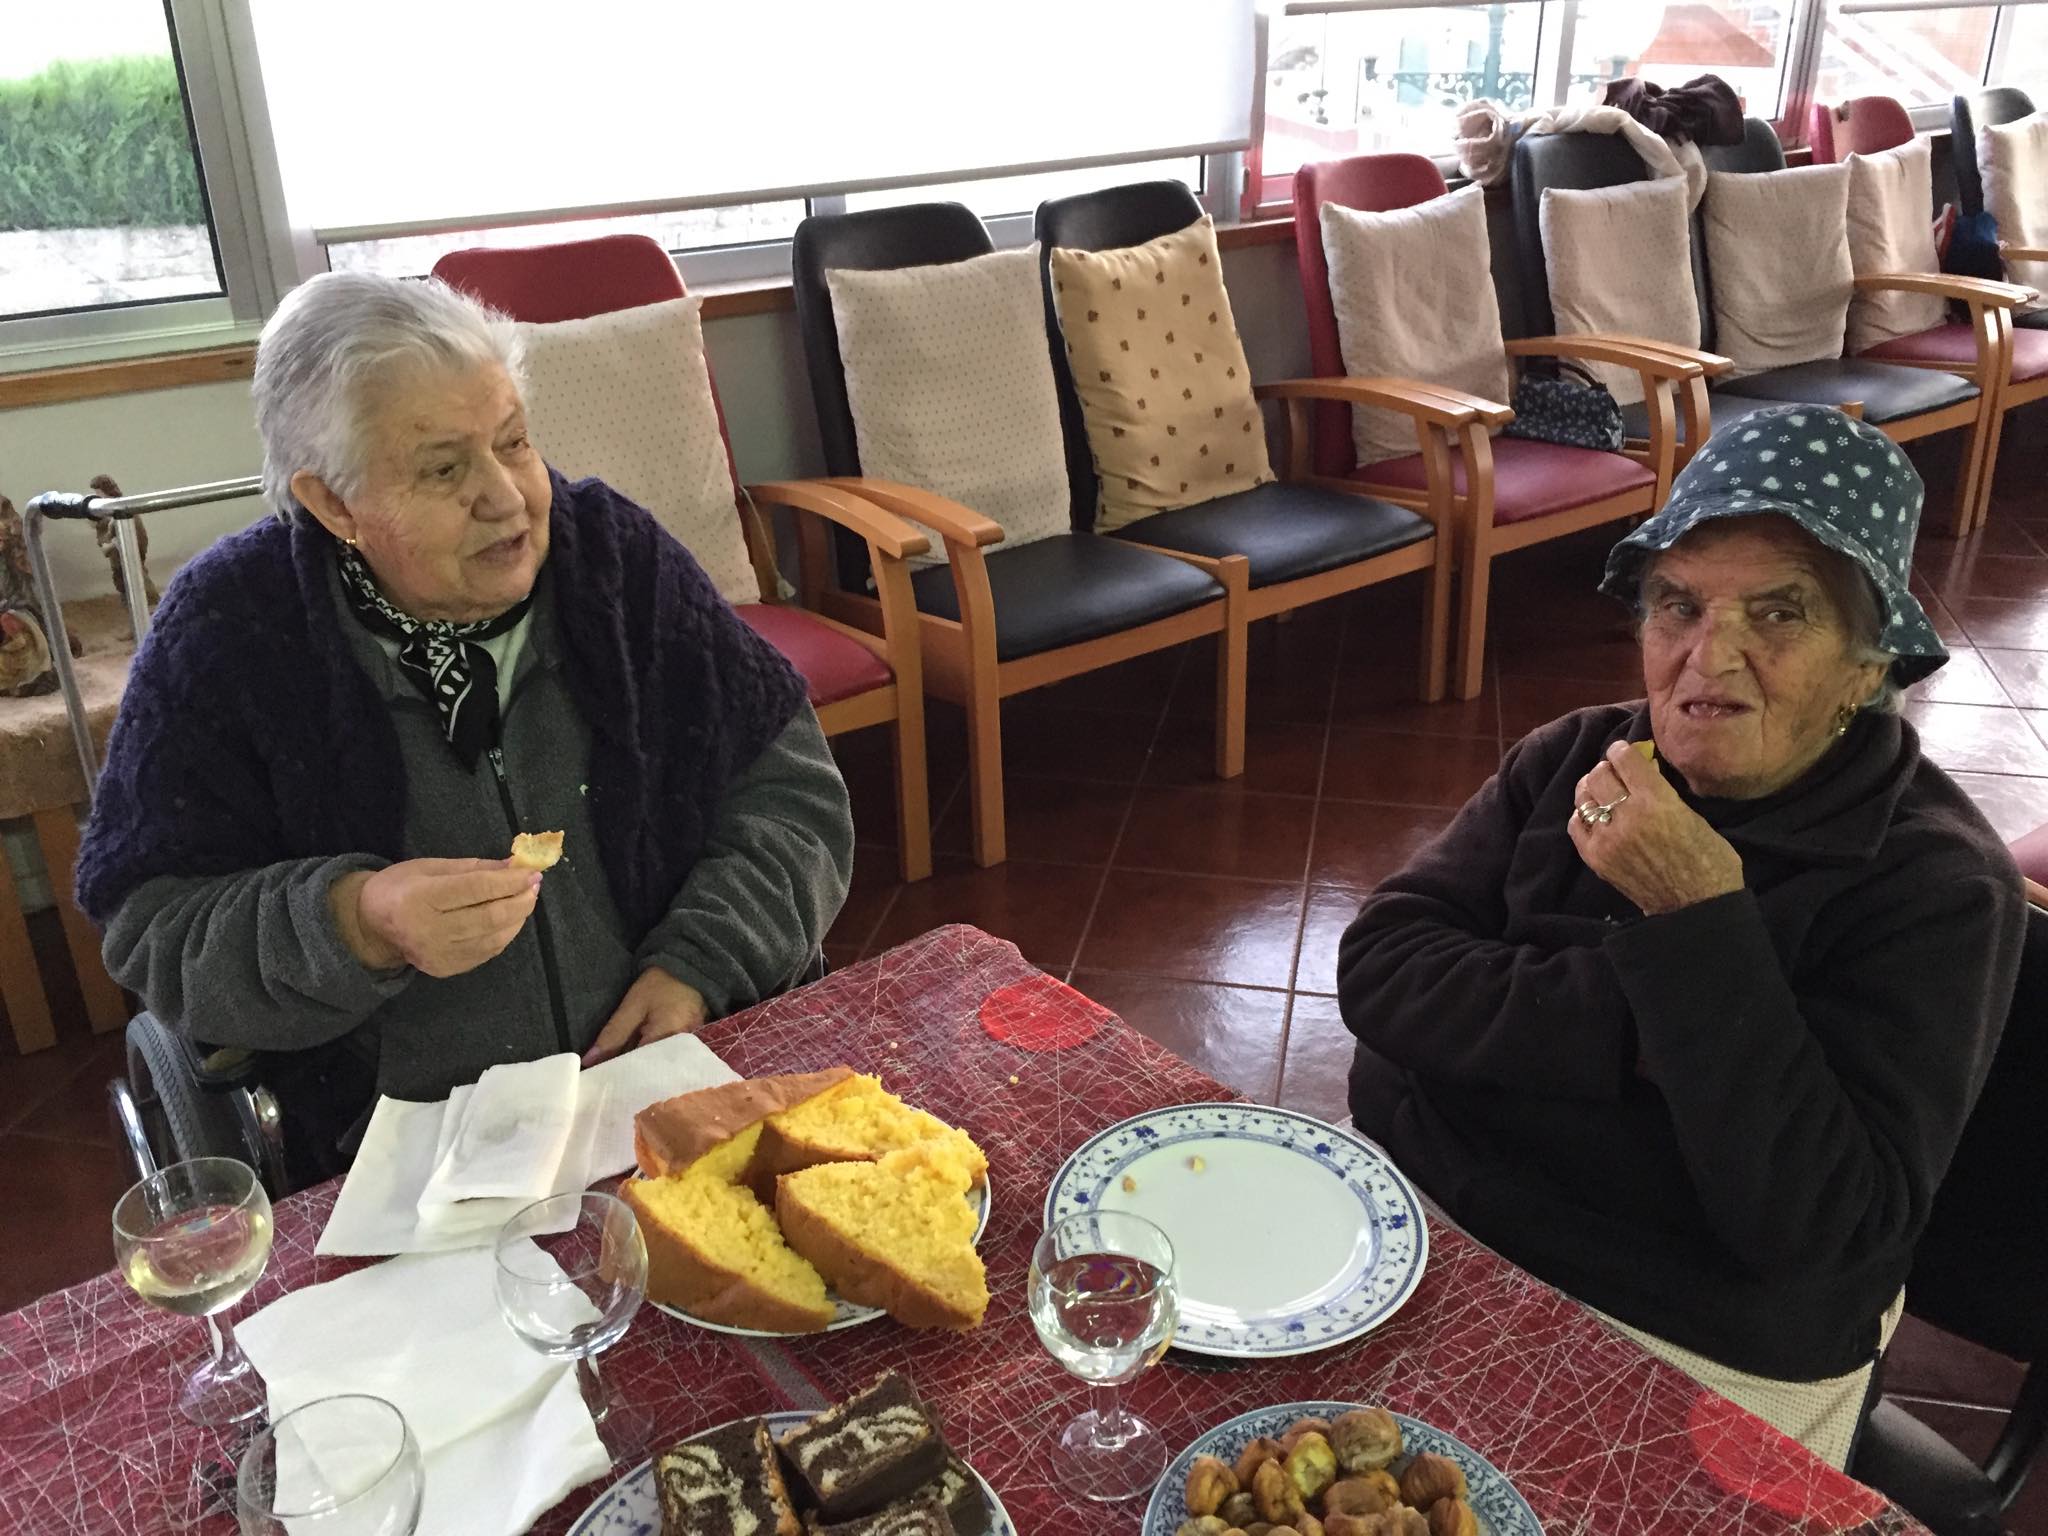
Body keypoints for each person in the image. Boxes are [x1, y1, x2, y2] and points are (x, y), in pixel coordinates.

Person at [1338, 404, 2023, 1468]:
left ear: (1868, 662)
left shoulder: (1935, 886)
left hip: (1688, 1331)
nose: (1711, 655)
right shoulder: (1572, 758)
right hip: (1438, 1215)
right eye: (1677, 605)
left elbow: (1819, 1228)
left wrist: (1696, 923)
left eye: (1780, 612)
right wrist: (1645, 1027)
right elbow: (1381, 967)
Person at [77, 272, 855, 1149]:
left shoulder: (617, 566)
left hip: (684, 1082)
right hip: (414, 1151)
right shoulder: (231, 633)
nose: (508, 496)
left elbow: (793, 798)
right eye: (444, 469)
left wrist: (700, 966)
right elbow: (154, 932)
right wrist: (354, 922)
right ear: (333, 504)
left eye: (513, 441)